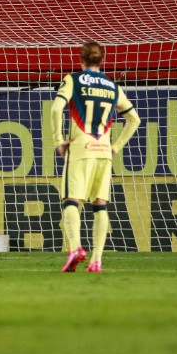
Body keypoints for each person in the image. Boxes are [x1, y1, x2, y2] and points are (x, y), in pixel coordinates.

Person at [50, 41, 141, 273]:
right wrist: (116, 146)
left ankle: (75, 249)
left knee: (71, 201)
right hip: (103, 150)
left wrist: (58, 140)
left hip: (81, 147)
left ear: (81, 60)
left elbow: (56, 108)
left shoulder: (73, 79)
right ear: (102, 60)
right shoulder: (112, 86)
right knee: (100, 205)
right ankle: (97, 260)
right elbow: (134, 119)